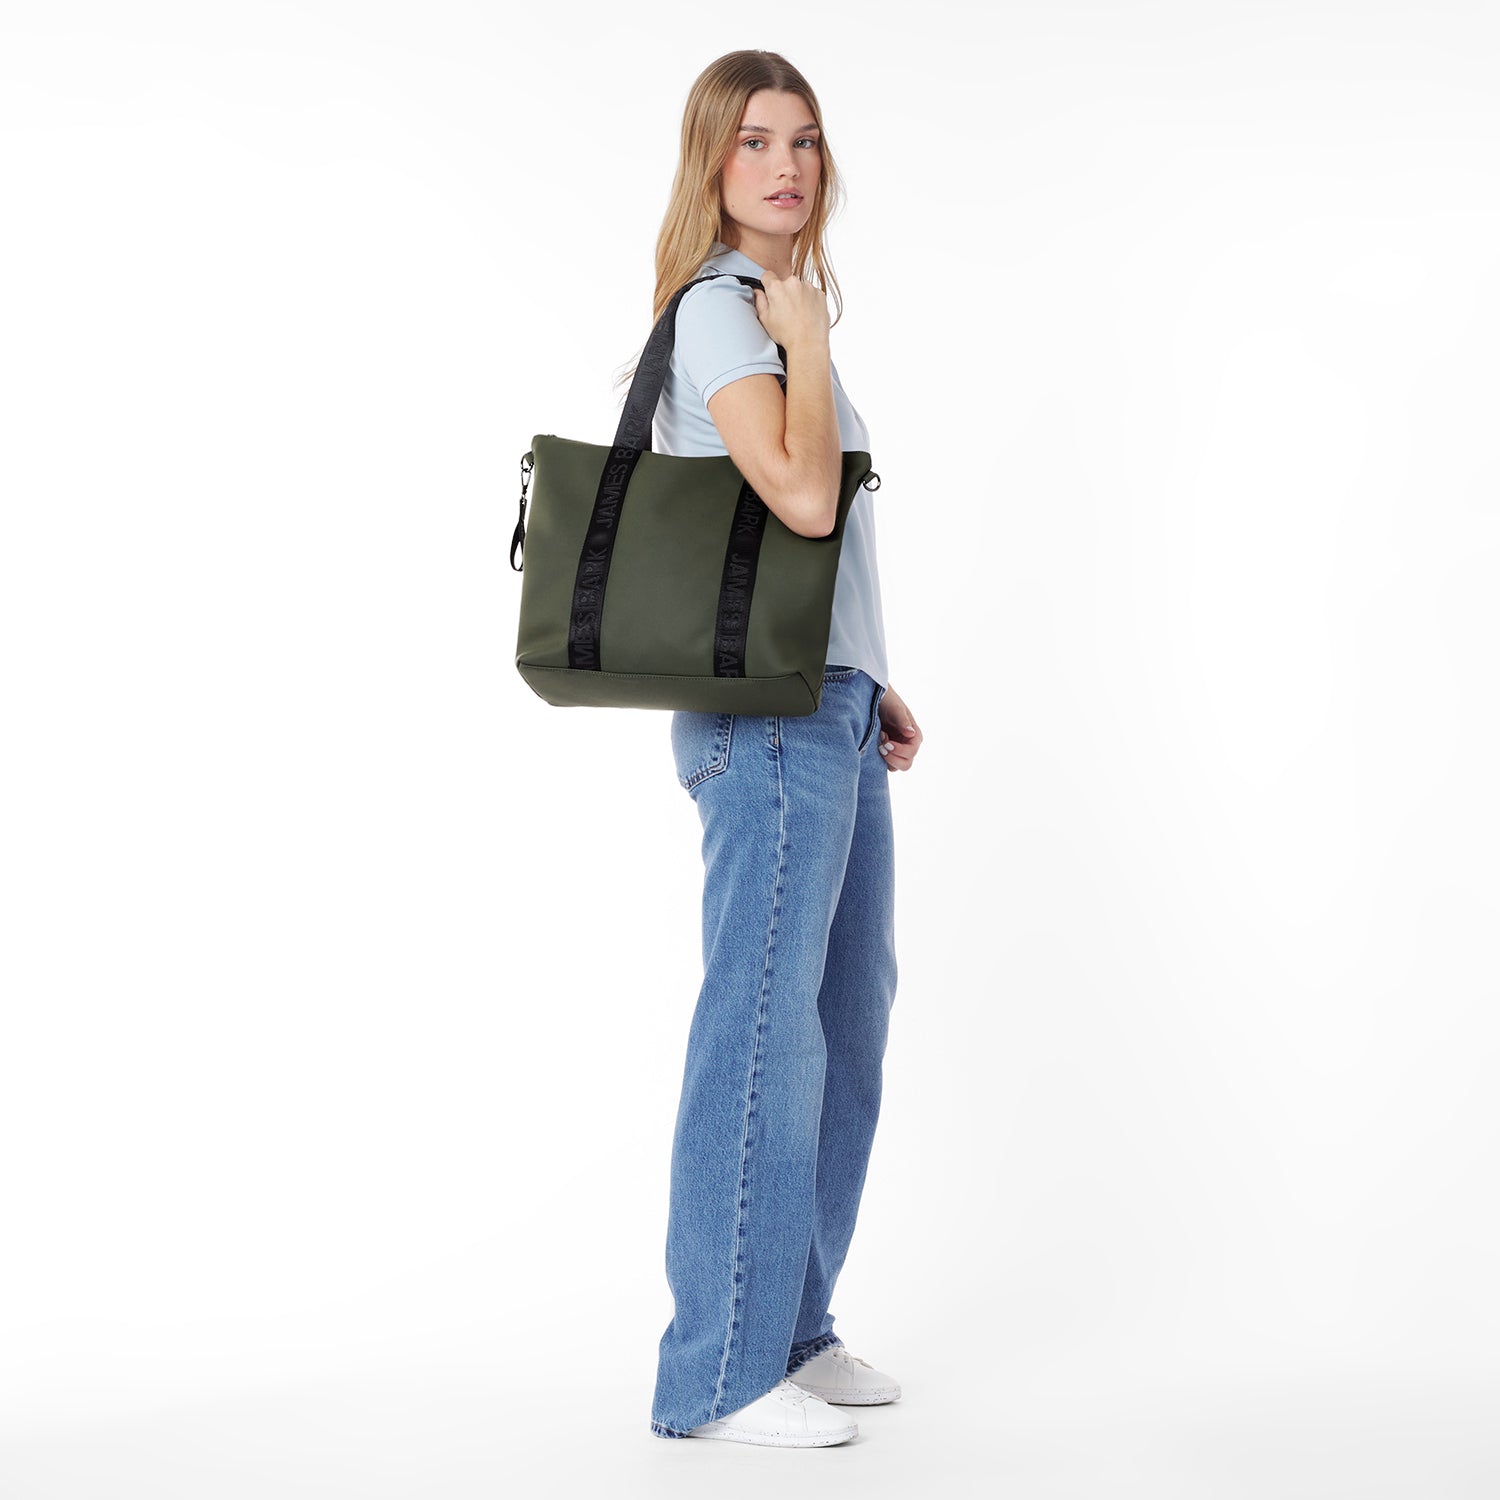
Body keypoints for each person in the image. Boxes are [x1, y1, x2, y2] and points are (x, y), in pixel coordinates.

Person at [640, 50, 923, 1448]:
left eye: (805, 140)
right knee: (761, 1024)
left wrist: (869, 674)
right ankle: (720, 1371)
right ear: (713, 160)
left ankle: (793, 1329)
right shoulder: (723, 312)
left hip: (827, 704)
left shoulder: (773, 310)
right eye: (755, 140)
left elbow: (801, 551)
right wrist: (803, 338)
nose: (787, 165)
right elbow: (805, 496)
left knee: (842, 1024)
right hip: (762, 723)